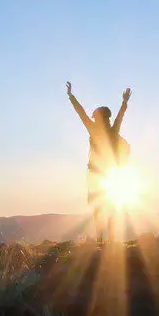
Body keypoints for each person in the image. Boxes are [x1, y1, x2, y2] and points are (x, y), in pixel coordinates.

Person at [66, 81, 132, 242]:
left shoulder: (94, 130)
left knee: (99, 207)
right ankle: (107, 239)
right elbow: (120, 117)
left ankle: (101, 240)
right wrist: (124, 102)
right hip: (108, 175)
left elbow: (81, 114)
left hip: (97, 175)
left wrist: (71, 96)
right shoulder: (112, 130)